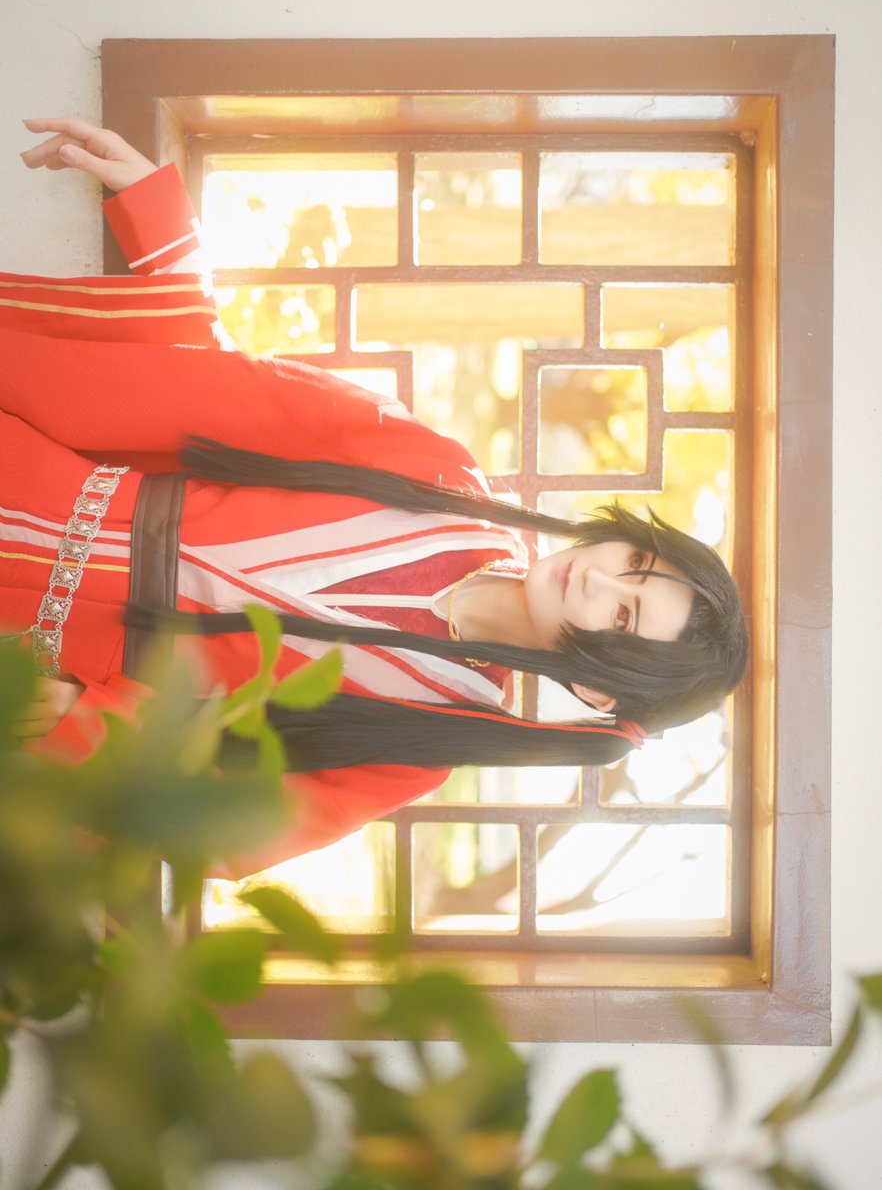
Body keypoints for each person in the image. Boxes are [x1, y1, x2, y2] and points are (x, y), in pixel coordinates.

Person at [1, 119, 748, 877]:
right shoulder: (445, 481)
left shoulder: (420, 741)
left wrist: (93, 731)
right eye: (636, 563)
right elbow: (238, 399)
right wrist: (162, 228)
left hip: (30, 664)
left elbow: (233, 825)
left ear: (596, 689)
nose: (600, 578)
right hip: (28, 481)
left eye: (623, 616)